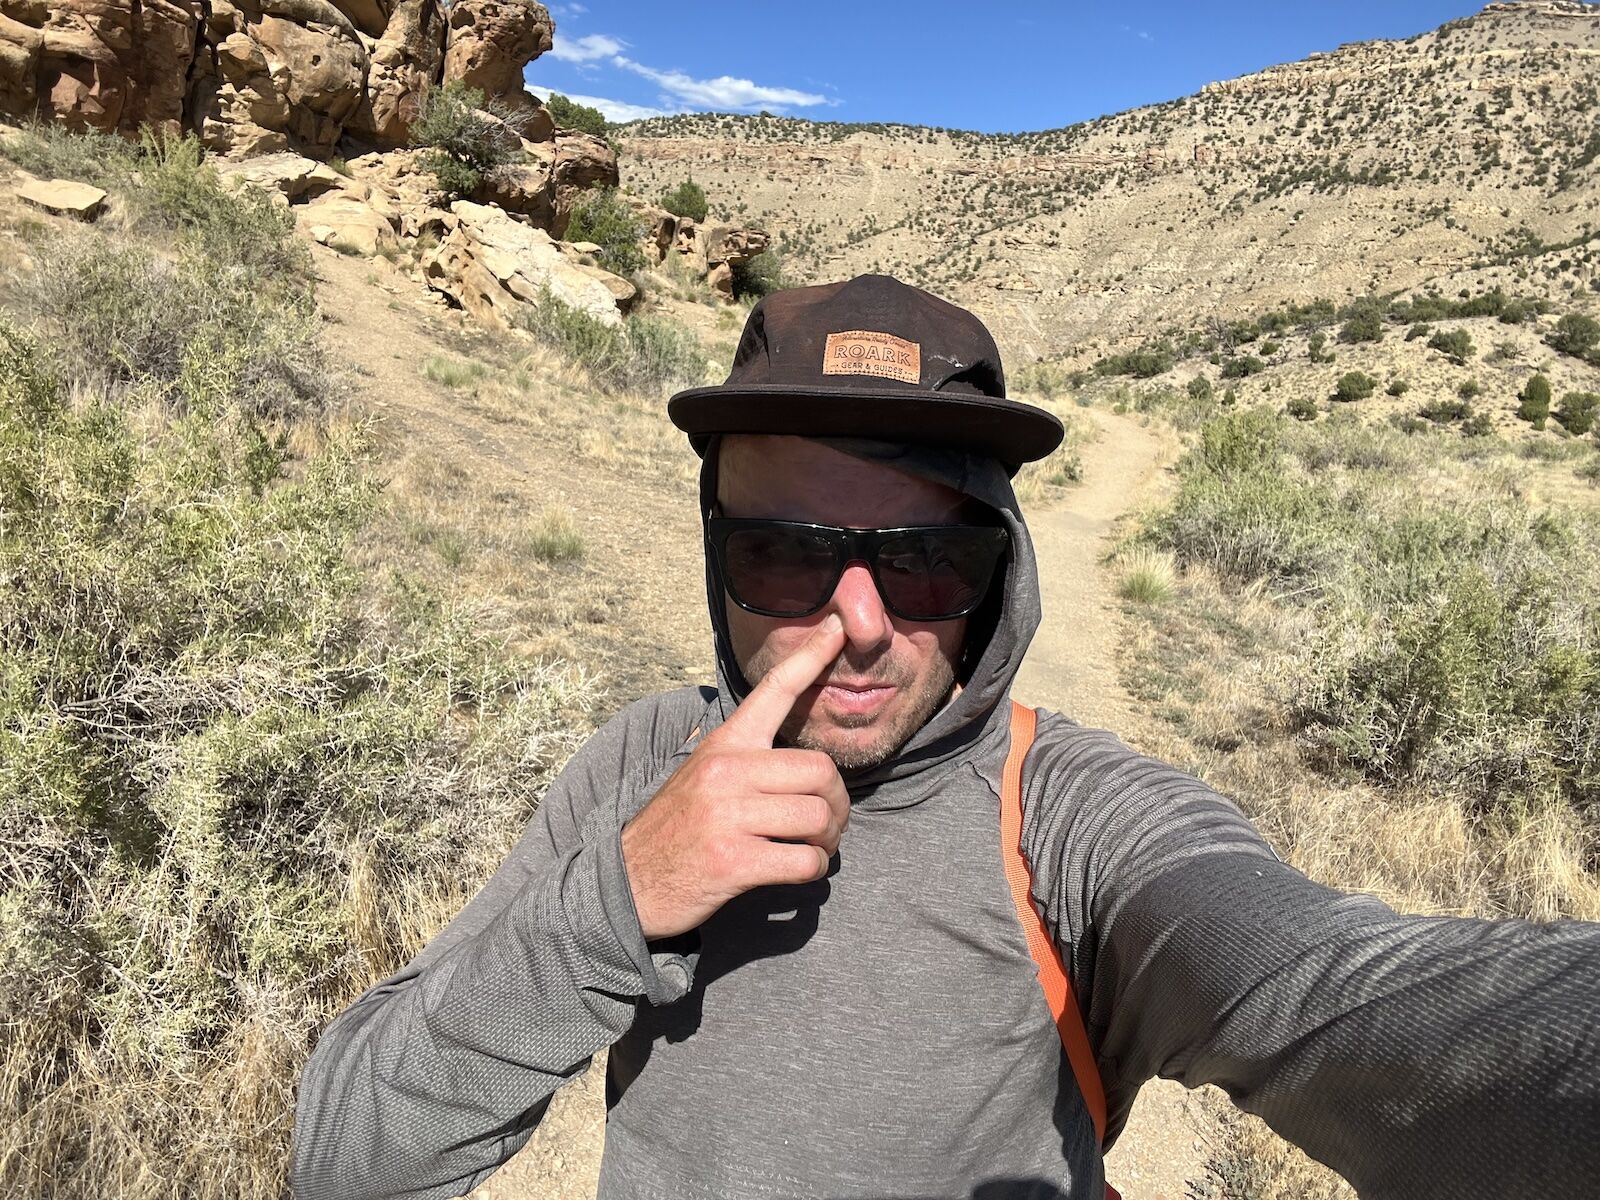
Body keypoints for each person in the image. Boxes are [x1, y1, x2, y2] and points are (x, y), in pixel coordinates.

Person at [291, 275, 1600, 1200]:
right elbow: (347, 1159)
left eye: (923, 564)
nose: (857, 624)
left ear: (1001, 573)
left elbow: (1335, 992)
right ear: (713, 555)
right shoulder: (646, 769)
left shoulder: (1074, 817)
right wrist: (616, 901)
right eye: (785, 554)